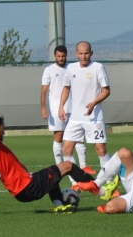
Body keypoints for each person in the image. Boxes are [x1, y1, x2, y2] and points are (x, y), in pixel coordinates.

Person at [0, 97, 97, 214]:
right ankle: (100, 188)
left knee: (52, 175)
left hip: (20, 194)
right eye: (3, 129)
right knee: (68, 165)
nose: (3, 133)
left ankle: (59, 206)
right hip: (28, 186)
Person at [58, 41, 119, 197]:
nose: (84, 56)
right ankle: (76, 183)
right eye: (81, 53)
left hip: (94, 118)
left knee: (101, 150)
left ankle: (108, 183)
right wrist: (61, 106)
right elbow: (66, 88)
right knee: (66, 149)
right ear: (76, 54)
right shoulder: (71, 69)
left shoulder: (98, 67)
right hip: (75, 118)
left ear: (91, 53)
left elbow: (107, 90)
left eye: (86, 53)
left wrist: (94, 103)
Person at [40, 45, 96, 192]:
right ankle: (60, 167)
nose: (61, 58)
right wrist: (43, 108)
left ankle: (83, 167)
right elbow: (44, 91)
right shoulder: (49, 70)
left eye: (63, 56)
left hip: (74, 108)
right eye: (58, 56)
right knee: (59, 136)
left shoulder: (72, 68)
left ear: (67, 55)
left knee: (78, 138)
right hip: (56, 108)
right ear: (55, 56)